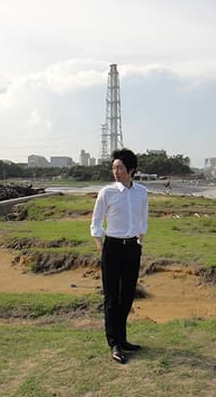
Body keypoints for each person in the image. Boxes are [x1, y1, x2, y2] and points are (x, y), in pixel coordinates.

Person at [90, 148, 149, 364]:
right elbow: (96, 221)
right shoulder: (107, 192)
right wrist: (100, 246)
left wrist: (140, 240)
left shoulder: (142, 192)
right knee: (112, 297)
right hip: (112, 247)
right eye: (114, 168)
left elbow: (143, 219)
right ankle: (114, 343)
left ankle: (123, 339)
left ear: (131, 169)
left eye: (120, 168)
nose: (116, 171)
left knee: (128, 295)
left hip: (132, 247)